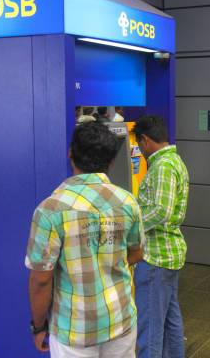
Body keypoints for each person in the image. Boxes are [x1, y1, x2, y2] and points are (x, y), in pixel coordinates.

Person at [26, 121, 144, 357]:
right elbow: (136, 252)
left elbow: (41, 279)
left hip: (75, 330)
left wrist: (39, 327)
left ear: (70, 153)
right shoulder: (128, 201)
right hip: (120, 320)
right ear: (111, 160)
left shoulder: (50, 210)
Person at [133, 115, 190, 357]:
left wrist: (130, 228)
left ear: (145, 140)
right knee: (169, 321)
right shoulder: (173, 161)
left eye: (138, 144)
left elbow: (160, 210)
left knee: (150, 328)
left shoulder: (162, 166)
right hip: (168, 255)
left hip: (156, 256)